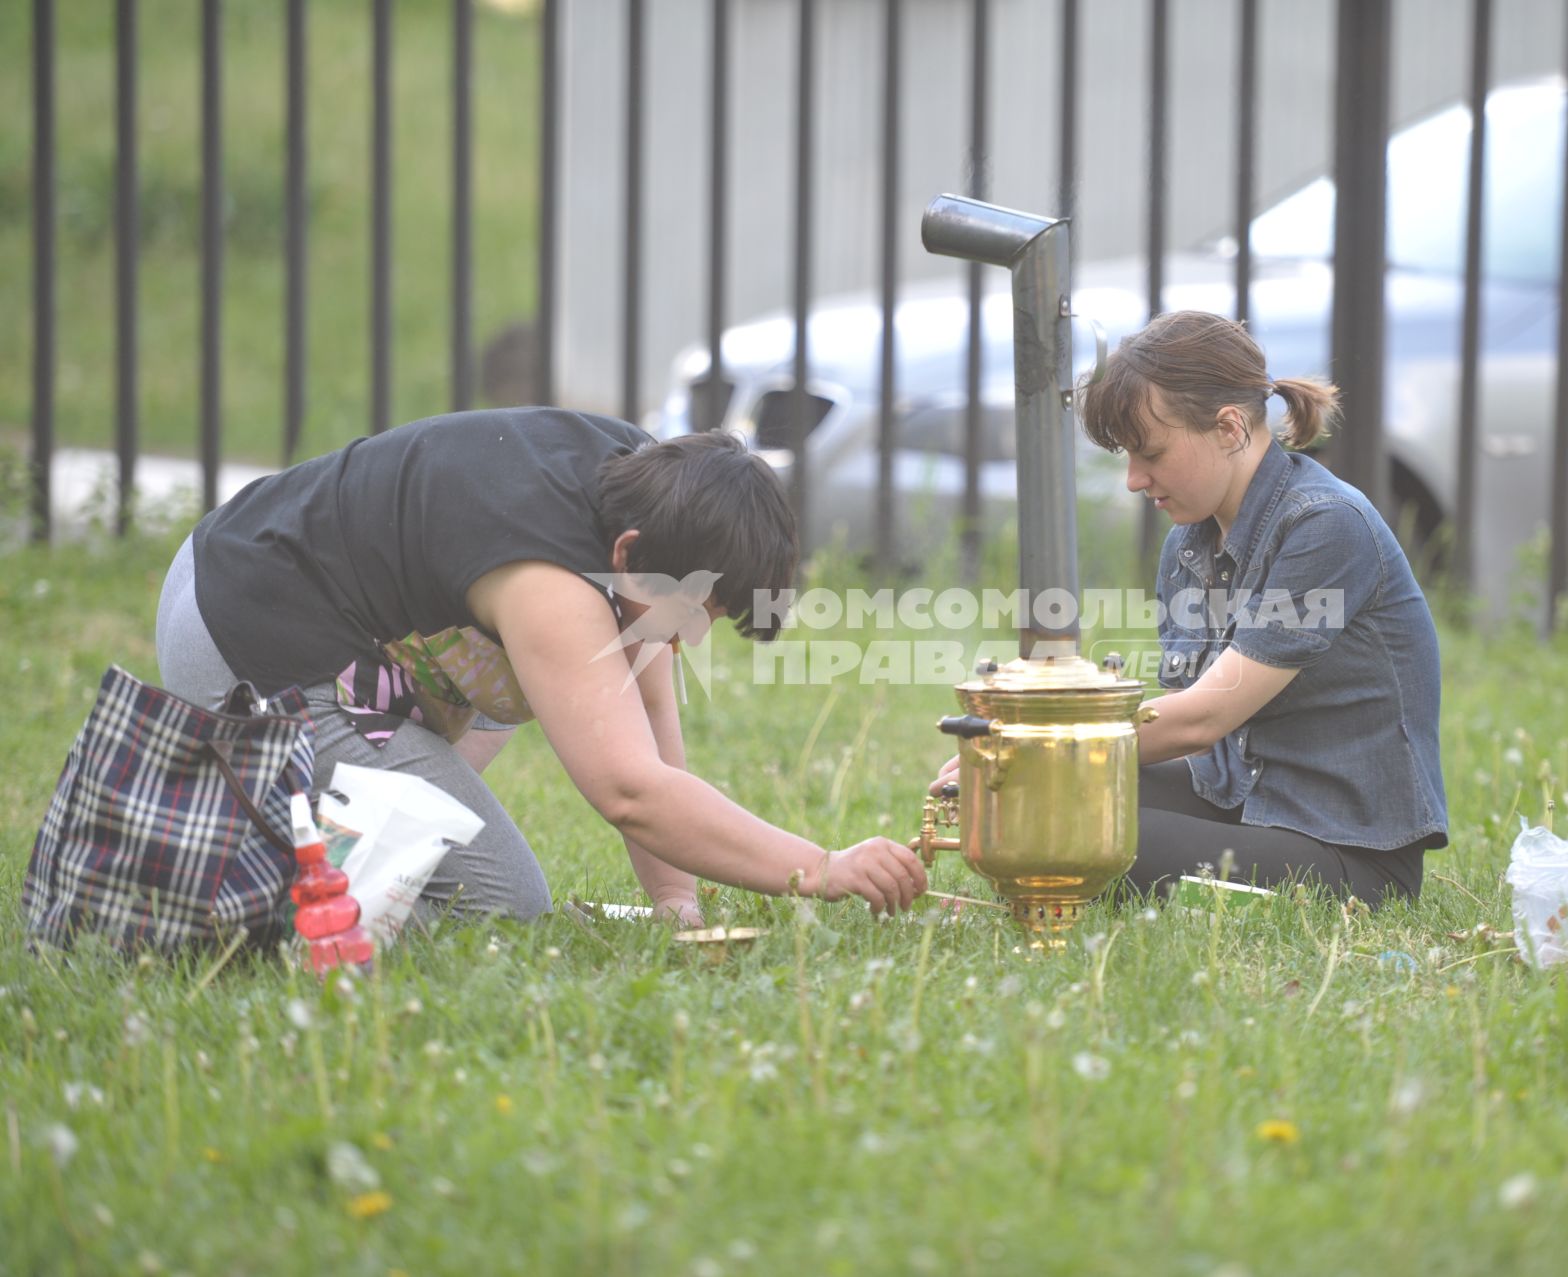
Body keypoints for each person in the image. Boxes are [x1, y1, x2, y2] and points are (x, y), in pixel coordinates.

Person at [156, 407, 927, 926]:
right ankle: (236, 886)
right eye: (693, 612)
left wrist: (678, 907)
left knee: (566, 683)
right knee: (500, 902)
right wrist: (823, 868)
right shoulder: (547, 577)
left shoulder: (648, 489)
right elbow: (632, 789)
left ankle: (321, 831)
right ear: (628, 556)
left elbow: (650, 721)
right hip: (243, 632)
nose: (690, 639)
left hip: (270, 577)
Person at [934, 311, 1446, 905]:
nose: (1132, 479)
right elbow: (1186, 722)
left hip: (1347, 850)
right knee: (1040, 803)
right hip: (1239, 801)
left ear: (1229, 428)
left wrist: (1036, 748)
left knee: (1079, 831)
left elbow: (1205, 717)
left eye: (1148, 452)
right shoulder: (1188, 540)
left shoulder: (1326, 525)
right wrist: (1036, 766)